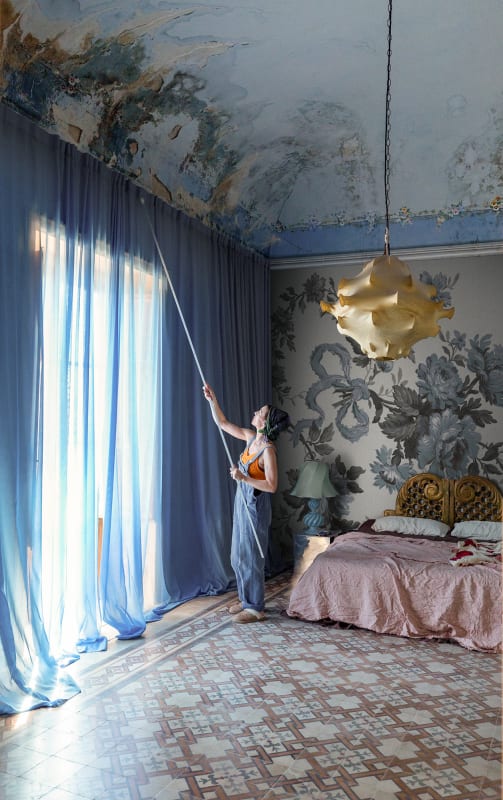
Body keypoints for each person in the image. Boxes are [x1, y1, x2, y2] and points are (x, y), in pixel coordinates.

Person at [203, 384, 290, 624]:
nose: (254, 412)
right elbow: (223, 423)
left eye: (259, 412)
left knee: (251, 557)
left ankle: (255, 608)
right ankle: (245, 599)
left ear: (265, 422)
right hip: (241, 504)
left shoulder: (268, 451)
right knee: (237, 556)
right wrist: (212, 400)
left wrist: (244, 478)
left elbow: (271, 485)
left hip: (256, 507)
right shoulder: (251, 438)